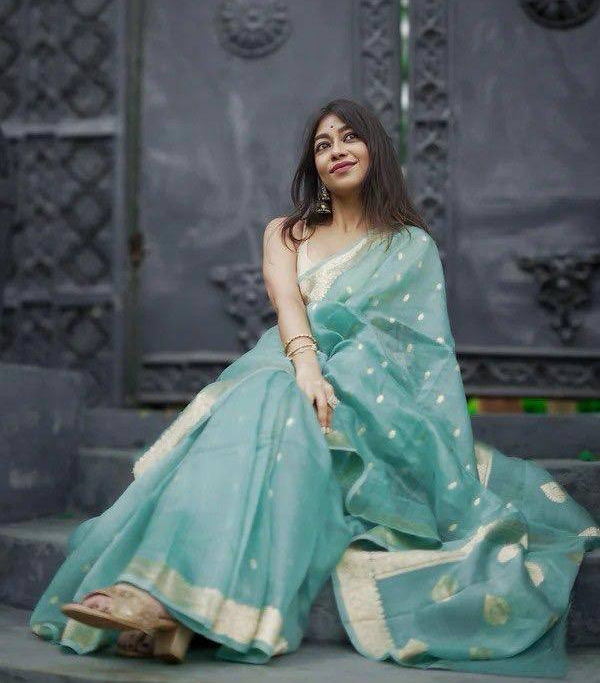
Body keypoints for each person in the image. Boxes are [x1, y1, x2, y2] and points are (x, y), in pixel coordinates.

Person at [29, 98, 600, 676]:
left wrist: (346, 376)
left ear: (375, 150)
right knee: (267, 396)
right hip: (291, 371)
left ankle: (159, 599)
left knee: (266, 407)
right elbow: (288, 306)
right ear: (314, 166)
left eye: (349, 138)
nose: (337, 151)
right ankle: (161, 602)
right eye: (323, 145)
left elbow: (422, 356)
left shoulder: (411, 247)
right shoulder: (287, 234)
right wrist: (307, 367)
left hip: (373, 404)